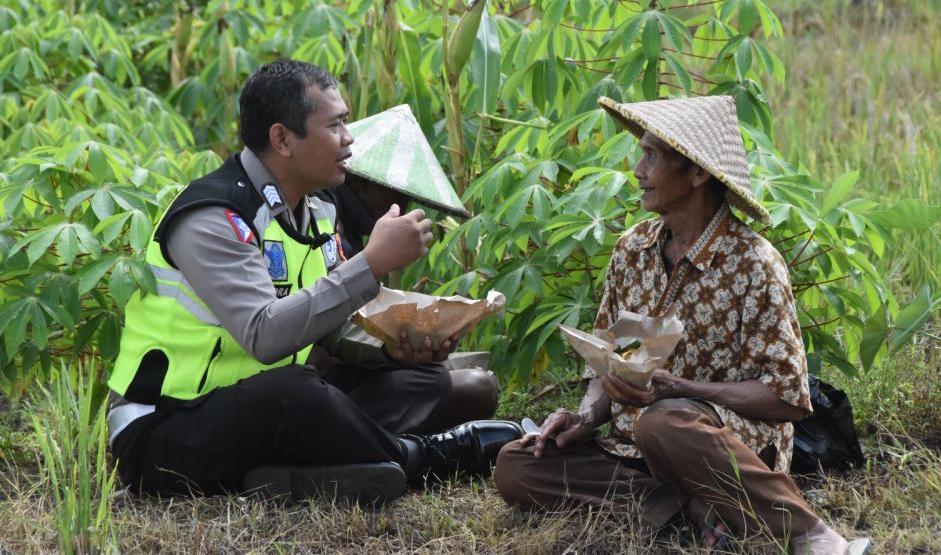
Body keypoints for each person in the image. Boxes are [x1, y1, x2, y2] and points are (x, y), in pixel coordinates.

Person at [106, 60, 520, 505]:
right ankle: (426, 456)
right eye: (336, 125)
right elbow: (264, 336)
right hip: (165, 431)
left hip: (261, 412)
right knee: (294, 392)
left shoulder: (318, 211)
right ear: (282, 139)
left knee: (425, 381)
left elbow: (324, 327)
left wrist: (395, 348)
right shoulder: (213, 217)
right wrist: (371, 262)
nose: (350, 140)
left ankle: (299, 471)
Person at [493, 96, 870, 555]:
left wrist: (682, 391)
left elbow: (786, 399)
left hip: (725, 442)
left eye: (652, 155)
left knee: (663, 422)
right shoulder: (632, 250)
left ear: (697, 173)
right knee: (516, 464)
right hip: (635, 450)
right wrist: (586, 416)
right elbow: (608, 363)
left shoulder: (754, 264)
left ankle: (809, 534)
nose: (637, 170)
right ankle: (695, 508)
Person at [313, 103, 499, 430]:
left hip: (352, 373)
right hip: (315, 388)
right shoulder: (322, 222)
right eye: (399, 195)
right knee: (474, 388)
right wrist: (393, 347)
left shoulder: (349, 226)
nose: (406, 208)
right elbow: (328, 330)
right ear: (361, 183)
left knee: (476, 376)